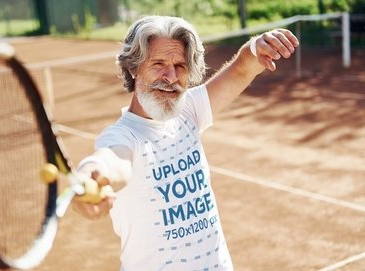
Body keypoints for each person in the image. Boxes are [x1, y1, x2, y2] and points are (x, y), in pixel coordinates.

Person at [73, 15, 299, 271]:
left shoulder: (188, 110)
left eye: (180, 66)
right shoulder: (124, 136)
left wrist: (258, 47)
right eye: (158, 63)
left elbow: (241, 68)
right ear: (134, 67)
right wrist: (92, 175)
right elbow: (112, 160)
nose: (170, 76)